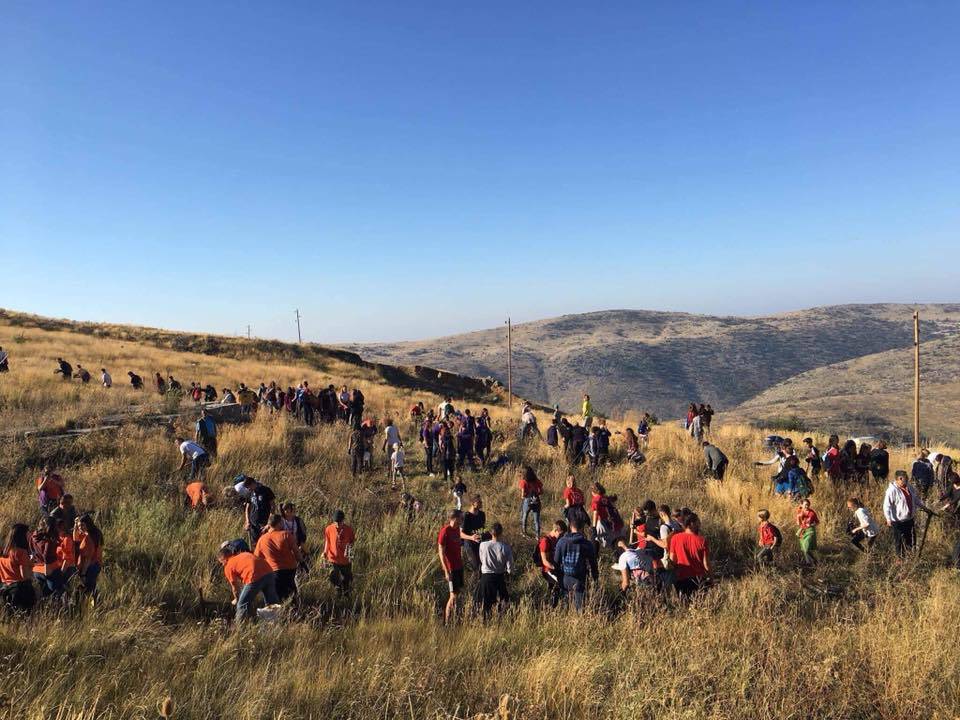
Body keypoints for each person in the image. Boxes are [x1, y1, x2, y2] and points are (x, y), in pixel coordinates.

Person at [217, 543, 278, 622]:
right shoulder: (244, 554)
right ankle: (276, 621)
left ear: (224, 559)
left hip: (254, 576)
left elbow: (235, 587)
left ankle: (240, 628)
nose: (222, 565)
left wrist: (237, 599)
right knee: (272, 601)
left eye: (221, 563)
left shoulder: (228, 566)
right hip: (269, 572)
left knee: (242, 604)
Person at [438, 509, 479, 624]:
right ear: (454, 518)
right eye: (461, 518)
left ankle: (453, 619)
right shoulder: (445, 531)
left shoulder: (456, 529)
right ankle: (446, 622)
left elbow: (460, 534)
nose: (462, 520)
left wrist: (471, 538)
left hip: (459, 567)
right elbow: (441, 552)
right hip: (451, 568)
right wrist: (446, 570)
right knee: (453, 595)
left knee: (457, 593)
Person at [553, 517, 598, 611]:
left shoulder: (561, 542)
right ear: (582, 528)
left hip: (565, 577)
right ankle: (579, 622)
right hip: (580, 578)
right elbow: (593, 562)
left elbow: (556, 562)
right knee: (579, 607)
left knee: (565, 605)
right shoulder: (587, 544)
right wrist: (595, 577)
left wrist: (558, 576)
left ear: (570, 527)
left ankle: (565, 621)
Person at [255, 515, 302, 601]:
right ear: (279, 523)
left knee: (278, 595)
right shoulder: (286, 535)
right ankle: (295, 610)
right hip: (290, 569)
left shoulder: (262, 539)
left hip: (273, 571)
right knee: (291, 593)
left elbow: (257, 558)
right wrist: (301, 562)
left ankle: (281, 612)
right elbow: (296, 552)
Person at [883, 470, 927, 558]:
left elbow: (915, 499)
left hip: (909, 519)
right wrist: (888, 519)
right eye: (902, 479)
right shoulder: (892, 490)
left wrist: (924, 507)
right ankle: (899, 559)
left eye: (906, 478)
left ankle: (910, 556)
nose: (904, 480)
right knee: (899, 541)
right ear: (897, 479)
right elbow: (886, 506)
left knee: (910, 539)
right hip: (898, 521)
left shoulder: (909, 487)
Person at [668, 512, 710, 597]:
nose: (699, 525)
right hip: (698, 579)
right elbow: (706, 564)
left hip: (681, 578)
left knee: (684, 605)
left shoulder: (675, 538)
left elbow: (672, 560)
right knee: (699, 606)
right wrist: (711, 578)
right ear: (692, 523)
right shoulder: (702, 540)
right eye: (698, 522)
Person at [476, 523, 513, 617]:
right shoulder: (506, 547)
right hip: (499, 577)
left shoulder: (483, 545)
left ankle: (485, 623)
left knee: (484, 604)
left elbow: (481, 559)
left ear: (490, 533)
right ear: (501, 533)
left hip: (486, 577)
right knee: (503, 603)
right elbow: (510, 567)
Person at [0, 524, 35, 613]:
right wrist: (30, 565)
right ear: (22, 536)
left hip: (6, 589)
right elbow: (24, 576)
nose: (30, 535)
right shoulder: (21, 552)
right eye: (28, 533)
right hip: (21, 590)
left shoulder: (4, 552)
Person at [323, 510, 355, 595]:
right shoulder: (329, 529)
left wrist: (349, 551)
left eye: (339, 522)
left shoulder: (348, 530)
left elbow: (352, 542)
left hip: (345, 560)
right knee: (333, 576)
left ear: (343, 520)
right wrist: (325, 553)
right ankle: (338, 589)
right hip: (333, 559)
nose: (337, 524)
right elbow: (327, 541)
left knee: (347, 580)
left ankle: (346, 595)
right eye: (336, 522)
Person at [30, 516, 63, 597]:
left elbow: (31, 551)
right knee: (58, 594)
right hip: (49, 570)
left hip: (37, 570)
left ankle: (46, 608)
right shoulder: (48, 541)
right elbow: (47, 556)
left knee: (45, 594)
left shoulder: (33, 536)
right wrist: (47, 569)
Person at [537, 520, 567, 607]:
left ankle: (552, 607)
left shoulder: (556, 539)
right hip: (548, 570)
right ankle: (552, 606)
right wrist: (556, 568)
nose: (561, 536)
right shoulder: (545, 541)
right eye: (561, 534)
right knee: (559, 584)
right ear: (555, 530)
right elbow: (545, 561)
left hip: (554, 569)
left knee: (554, 589)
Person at [74, 514, 103, 600]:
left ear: (88, 524)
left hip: (89, 567)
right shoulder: (94, 533)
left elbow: (88, 559)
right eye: (79, 526)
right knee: (91, 589)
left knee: (87, 590)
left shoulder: (88, 538)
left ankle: (91, 607)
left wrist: (83, 573)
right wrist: (76, 526)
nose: (80, 528)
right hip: (96, 565)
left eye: (82, 525)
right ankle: (95, 605)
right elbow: (76, 538)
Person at [242, 476, 276, 547]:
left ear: (253, 483)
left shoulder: (266, 490)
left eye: (249, 487)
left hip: (264, 523)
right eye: (247, 488)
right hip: (253, 523)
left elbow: (273, 506)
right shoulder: (250, 493)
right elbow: (247, 508)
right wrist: (247, 521)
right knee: (255, 544)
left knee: (266, 544)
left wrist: (269, 524)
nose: (248, 489)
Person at [461, 496, 487, 573]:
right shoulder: (466, 516)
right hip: (469, 544)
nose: (481, 504)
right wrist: (471, 537)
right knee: (475, 566)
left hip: (480, 542)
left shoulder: (482, 514)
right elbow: (460, 533)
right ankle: (475, 583)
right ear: (473, 504)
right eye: (479, 502)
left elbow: (482, 528)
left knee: (482, 565)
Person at [518, 466, 543, 538]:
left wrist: (526, 496)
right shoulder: (537, 480)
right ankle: (537, 535)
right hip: (536, 501)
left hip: (527, 501)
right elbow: (541, 491)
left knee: (524, 516)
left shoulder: (523, 482)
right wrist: (535, 494)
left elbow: (522, 495)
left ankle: (524, 532)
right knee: (536, 519)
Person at [795, 499, 819, 566]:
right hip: (802, 531)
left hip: (810, 531)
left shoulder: (812, 513)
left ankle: (813, 561)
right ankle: (809, 562)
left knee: (806, 547)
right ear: (802, 505)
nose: (807, 506)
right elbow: (798, 524)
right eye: (805, 505)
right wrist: (798, 517)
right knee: (803, 548)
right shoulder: (799, 511)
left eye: (808, 505)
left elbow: (817, 522)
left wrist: (811, 525)